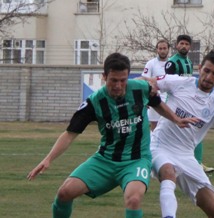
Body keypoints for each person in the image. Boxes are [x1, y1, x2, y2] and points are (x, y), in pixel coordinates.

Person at [27, 53, 197, 218]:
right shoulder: (94, 102)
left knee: (134, 199)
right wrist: (48, 159)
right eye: (113, 80)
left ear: (128, 77)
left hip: (136, 160)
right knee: (64, 193)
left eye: (123, 80)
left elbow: (157, 104)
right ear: (104, 77)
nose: (118, 85)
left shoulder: (141, 89)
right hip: (105, 161)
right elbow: (70, 134)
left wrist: (176, 119)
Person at [150, 50, 214, 217]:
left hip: (186, 155)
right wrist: (146, 86)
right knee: (169, 173)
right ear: (199, 68)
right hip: (160, 146)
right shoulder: (180, 83)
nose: (208, 77)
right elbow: (150, 82)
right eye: (206, 71)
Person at [165, 34, 214, 173]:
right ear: (176, 45)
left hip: (189, 102)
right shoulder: (172, 63)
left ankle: (196, 163)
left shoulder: (188, 61)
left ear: (190, 47)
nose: (184, 46)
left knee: (196, 130)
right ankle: (164, 161)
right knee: (170, 133)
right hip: (176, 104)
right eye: (181, 43)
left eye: (187, 44)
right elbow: (168, 84)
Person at [142, 39, 170, 131]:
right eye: (160, 48)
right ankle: (153, 144)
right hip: (155, 99)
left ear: (168, 49)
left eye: (164, 48)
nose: (162, 51)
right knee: (154, 127)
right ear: (157, 50)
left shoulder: (172, 63)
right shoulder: (151, 64)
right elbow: (144, 80)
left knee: (168, 127)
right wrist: (146, 98)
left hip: (170, 99)